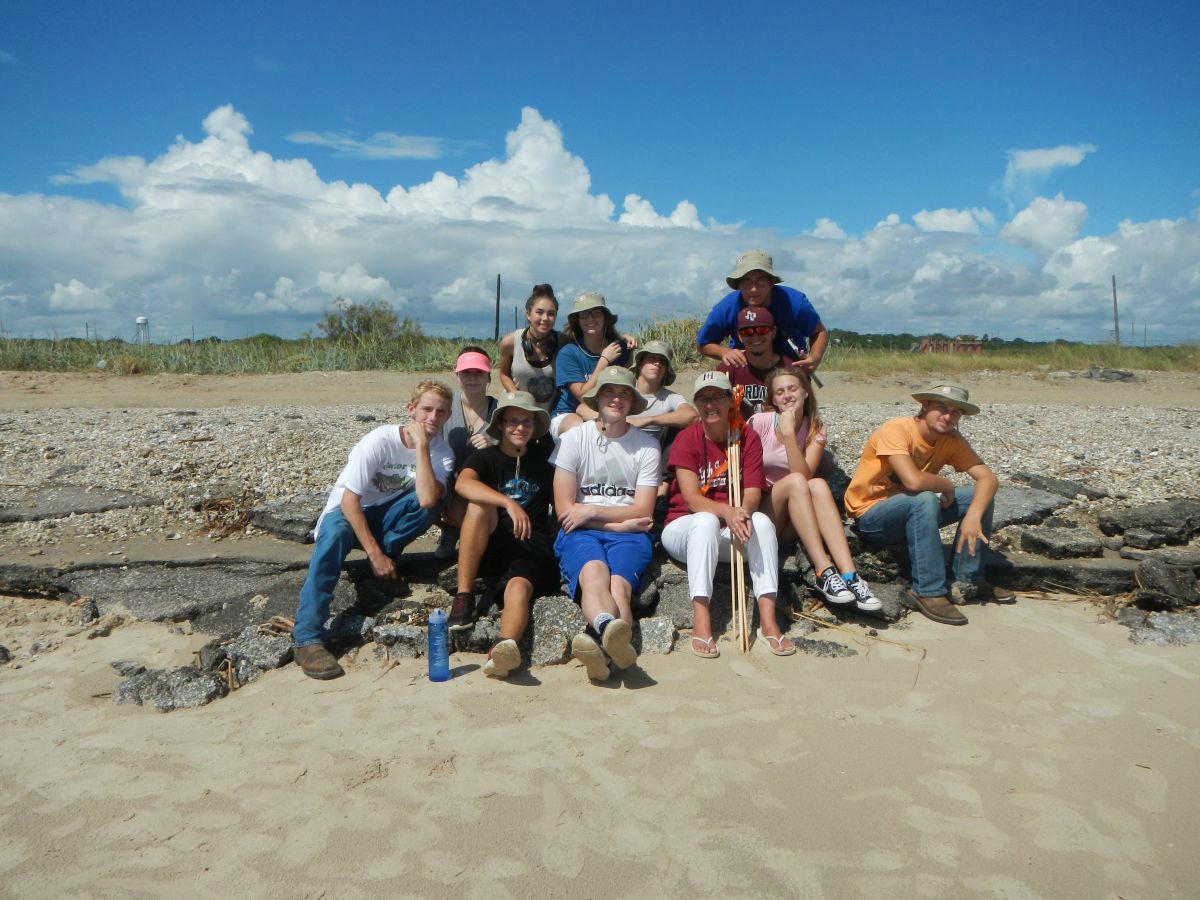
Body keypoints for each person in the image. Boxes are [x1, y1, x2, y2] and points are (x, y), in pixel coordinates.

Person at [293, 382, 455, 679]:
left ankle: (382, 567)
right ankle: (307, 637)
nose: (433, 418)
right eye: (426, 410)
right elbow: (349, 500)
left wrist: (422, 447)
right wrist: (374, 552)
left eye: (441, 412)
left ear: (448, 416)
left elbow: (429, 500)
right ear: (411, 410)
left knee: (427, 505)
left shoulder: (441, 452)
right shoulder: (379, 440)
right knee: (336, 535)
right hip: (347, 513)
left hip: (385, 517)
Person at [845, 383, 1015, 626]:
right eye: (941, 408)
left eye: (955, 412)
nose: (948, 416)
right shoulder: (896, 428)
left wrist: (973, 516)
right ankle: (928, 590)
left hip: (914, 510)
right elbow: (912, 482)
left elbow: (988, 479)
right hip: (872, 515)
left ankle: (968, 579)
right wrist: (945, 484)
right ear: (924, 406)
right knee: (924, 496)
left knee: (980, 495)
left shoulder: (951, 440)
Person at [661, 371, 792, 657]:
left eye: (718, 397)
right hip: (684, 528)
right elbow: (693, 499)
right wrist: (727, 512)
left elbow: (754, 492)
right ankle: (701, 620)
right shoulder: (687, 439)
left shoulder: (747, 437)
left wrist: (742, 514)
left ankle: (768, 621)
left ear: (731, 400)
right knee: (706, 520)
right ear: (696, 403)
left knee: (762, 522)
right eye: (704, 398)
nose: (711, 404)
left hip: (727, 530)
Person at [551, 367, 660, 681]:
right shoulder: (573, 439)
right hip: (591, 531)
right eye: (610, 392)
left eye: (624, 393)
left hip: (625, 532)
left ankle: (603, 647)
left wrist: (590, 511)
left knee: (619, 588)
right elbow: (564, 510)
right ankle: (609, 638)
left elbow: (643, 508)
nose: (616, 399)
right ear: (597, 398)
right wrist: (616, 525)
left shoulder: (646, 446)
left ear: (632, 401)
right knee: (594, 573)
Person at [749, 368, 882, 613]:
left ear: (805, 392)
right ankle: (823, 570)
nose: (787, 395)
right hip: (766, 513)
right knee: (797, 482)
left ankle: (850, 575)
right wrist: (788, 433)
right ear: (773, 400)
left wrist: (790, 435)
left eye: (792, 388)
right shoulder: (760, 423)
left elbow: (806, 474)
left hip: (795, 519)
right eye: (780, 392)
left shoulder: (815, 429)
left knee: (817, 484)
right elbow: (794, 477)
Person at [448, 391, 559, 678]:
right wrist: (507, 502)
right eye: (512, 421)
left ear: (535, 426)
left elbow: (559, 509)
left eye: (526, 421)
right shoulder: (485, 457)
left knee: (519, 588)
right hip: (493, 543)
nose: (519, 427)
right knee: (478, 506)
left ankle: (503, 648)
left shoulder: (544, 460)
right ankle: (464, 596)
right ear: (500, 425)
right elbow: (463, 483)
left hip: (531, 547)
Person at [697, 249, 828, 372]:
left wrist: (814, 358)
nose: (753, 289)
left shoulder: (795, 304)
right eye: (747, 281)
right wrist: (724, 352)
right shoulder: (726, 308)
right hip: (745, 369)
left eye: (760, 281)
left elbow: (819, 331)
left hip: (789, 369)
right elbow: (703, 344)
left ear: (771, 283)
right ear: (738, 284)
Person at [435, 347, 498, 558]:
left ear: (489, 376)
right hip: (450, 482)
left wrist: (495, 441)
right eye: (466, 373)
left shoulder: (501, 411)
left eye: (478, 372)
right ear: (457, 375)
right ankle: (450, 531)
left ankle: (471, 537)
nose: (472, 378)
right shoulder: (443, 407)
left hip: (488, 483)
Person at [550, 292, 634, 438]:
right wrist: (603, 361)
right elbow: (583, 396)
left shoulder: (618, 348)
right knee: (583, 431)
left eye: (596, 314)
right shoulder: (568, 353)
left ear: (605, 318)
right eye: (584, 315)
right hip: (568, 413)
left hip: (605, 410)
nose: (590, 318)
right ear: (577, 321)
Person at [627, 340, 697, 503]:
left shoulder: (670, 398)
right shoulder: (623, 392)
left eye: (662, 361)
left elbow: (691, 416)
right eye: (651, 359)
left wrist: (648, 420)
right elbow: (584, 409)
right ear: (639, 364)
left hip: (657, 457)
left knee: (679, 430)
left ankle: (662, 492)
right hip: (625, 449)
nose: (657, 364)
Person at [717, 305, 797, 415]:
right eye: (747, 332)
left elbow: (804, 414)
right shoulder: (729, 368)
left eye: (762, 330)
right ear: (740, 336)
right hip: (739, 431)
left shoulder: (790, 369)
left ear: (773, 332)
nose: (755, 336)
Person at [498, 284, 563, 414]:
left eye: (551, 314)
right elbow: (504, 374)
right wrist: (518, 400)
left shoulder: (563, 341)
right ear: (528, 314)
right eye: (539, 312)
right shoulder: (510, 342)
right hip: (518, 411)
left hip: (550, 414)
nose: (545, 318)